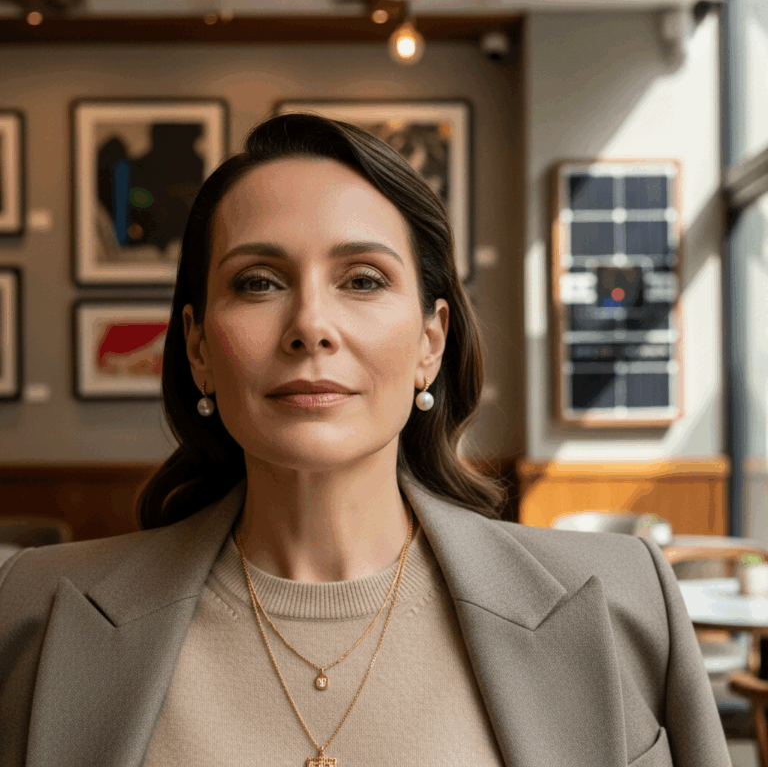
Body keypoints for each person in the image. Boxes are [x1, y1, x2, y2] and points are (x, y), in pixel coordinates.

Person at [0, 113, 730, 767]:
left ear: (430, 342)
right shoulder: (33, 613)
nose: (310, 325)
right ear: (197, 346)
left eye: (362, 280)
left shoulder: (620, 605)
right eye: (257, 282)